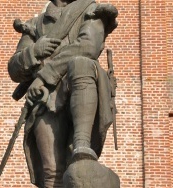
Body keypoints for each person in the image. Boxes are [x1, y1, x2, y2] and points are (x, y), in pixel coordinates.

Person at [8, 0, 118, 187]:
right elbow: (14, 69)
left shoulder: (90, 11)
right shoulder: (35, 24)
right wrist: (35, 50)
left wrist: (44, 75)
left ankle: (81, 145)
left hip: (81, 86)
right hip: (45, 97)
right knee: (51, 172)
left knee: (80, 64)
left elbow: (88, 47)